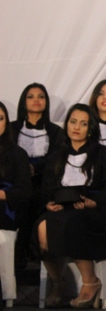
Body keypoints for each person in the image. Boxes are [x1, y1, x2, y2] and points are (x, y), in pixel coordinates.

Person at [36, 104, 106, 308]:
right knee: (42, 228)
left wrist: (93, 202)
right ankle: (58, 281)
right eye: (73, 122)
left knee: (74, 222)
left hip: (92, 210)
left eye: (83, 123)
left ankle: (90, 282)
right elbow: (47, 188)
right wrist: (49, 203)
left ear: (90, 128)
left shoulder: (102, 153)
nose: (77, 127)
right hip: (61, 208)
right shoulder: (57, 155)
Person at [11, 83, 63, 264]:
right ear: (23, 102)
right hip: (16, 182)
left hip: (44, 183)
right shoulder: (11, 128)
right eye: (31, 96)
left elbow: (56, 159)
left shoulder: (56, 132)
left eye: (41, 96)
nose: (36, 100)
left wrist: (36, 169)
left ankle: (34, 256)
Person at [0, 101, 32, 297]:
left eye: (0, 118)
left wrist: (2, 194)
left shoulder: (17, 154)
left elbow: (25, 191)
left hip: (5, 212)